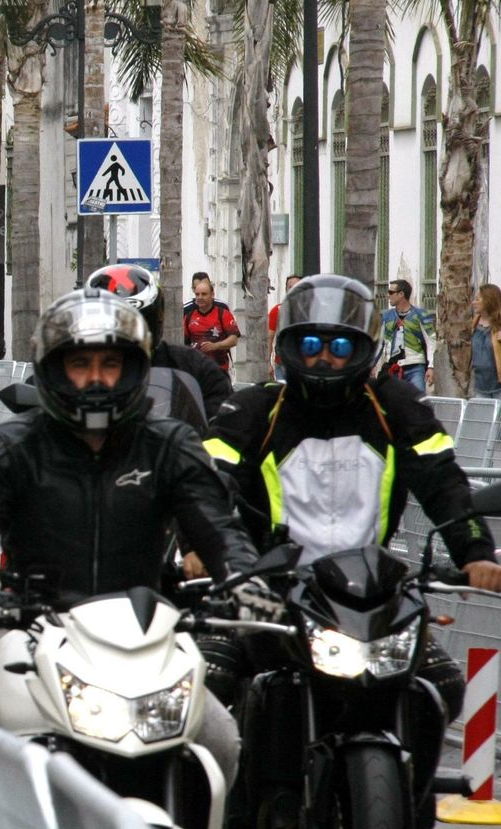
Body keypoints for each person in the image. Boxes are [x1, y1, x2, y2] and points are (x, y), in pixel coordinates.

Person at [0, 287, 258, 784]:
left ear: (134, 368)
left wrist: (245, 577)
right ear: (55, 370)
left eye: (110, 363)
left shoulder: (169, 443)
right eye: (81, 364)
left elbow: (218, 525)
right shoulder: (13, 446)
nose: (96, 378)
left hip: (149, 635)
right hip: (30, 630)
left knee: (221, 743)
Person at [198, 274, 501, 799]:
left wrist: (475, 552)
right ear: (288, 345)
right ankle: (226, 809)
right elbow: (205, 483)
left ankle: (408, 795)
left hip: (372, 591)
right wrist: (201, 547)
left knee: (442, 687)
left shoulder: (395, 405)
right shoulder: (255, 410)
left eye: (340, 346)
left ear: (363, 348)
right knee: (208, 681)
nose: (324, 359)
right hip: (268, 591)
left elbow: (442, 479)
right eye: (310, 344)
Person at [86, 263, 231, 414]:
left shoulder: (191, 366)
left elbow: (223, 411)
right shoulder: (77, 366)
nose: (123, 334)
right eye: (113, 322)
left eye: (132, 324)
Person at [382, 278, 435, 393]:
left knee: (418, 401)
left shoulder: (420, 314)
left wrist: (431, 366)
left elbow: (431, 341)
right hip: (393, 366)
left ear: (401, 294)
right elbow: (380, 342)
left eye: (391, 292)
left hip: (415, 366)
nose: (388, 295)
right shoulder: (386, 316)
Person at [182, 271, 241, 372]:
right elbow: (183, 342)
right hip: (196, 370)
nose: (200, 297)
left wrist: (215, 346)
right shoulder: (187, 315)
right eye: (197, 294)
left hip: (219, 369)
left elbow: (234, 339)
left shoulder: (223, 312)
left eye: (204, 294)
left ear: (212, 294)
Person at [267, 273, 302, 379]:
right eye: (290, 287)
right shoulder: (277, 310)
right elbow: (269, 338)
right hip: (282, 364)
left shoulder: (310, 311)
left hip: (304, 365)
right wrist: (267, 363)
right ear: (286, 289)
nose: (293, 290)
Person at [472, 283, 501, 400]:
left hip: (498, 385)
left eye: (477, 299)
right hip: (479, 384)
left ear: (489, 300)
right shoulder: (472, 325)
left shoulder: (499, 324)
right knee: (482, 417)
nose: (473, 303)